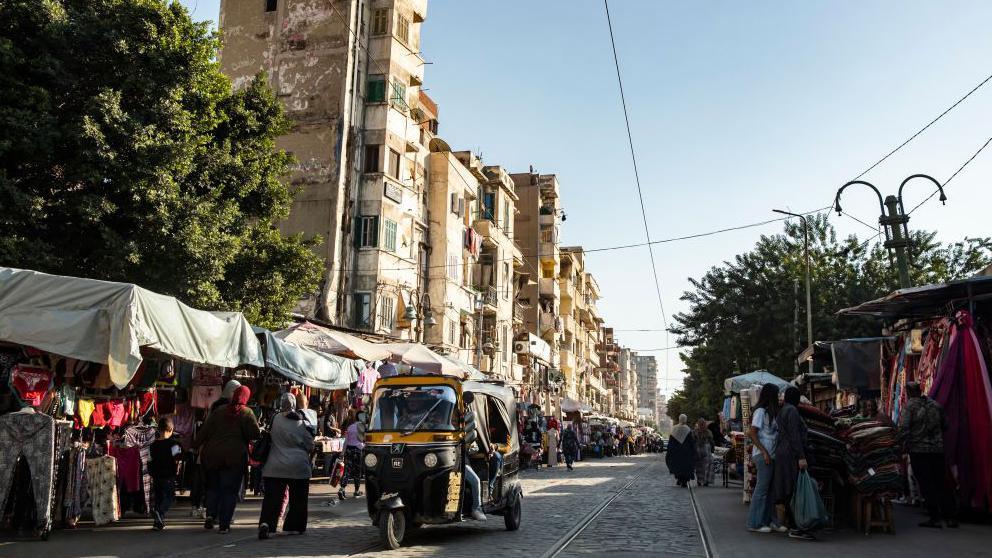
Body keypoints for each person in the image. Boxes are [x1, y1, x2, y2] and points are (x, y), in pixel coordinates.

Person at [193, 385, 260, 534]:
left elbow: (204, 431)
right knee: (229, 491)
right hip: (234, 458)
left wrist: (194, 446)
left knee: (213, 487)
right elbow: (255, 434)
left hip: (213, 455)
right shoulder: (247, 413)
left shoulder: (219, 410)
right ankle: (224, 524)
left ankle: (210, 515)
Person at [898, 382, 957, 528]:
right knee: (941, 483)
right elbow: (946, 425)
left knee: (926, 484)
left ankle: (934, 517)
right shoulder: (935, 405)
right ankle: (950, 517)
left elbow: (903, 429)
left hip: (919, 450)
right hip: (937, 450)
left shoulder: (910, 407)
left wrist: (900, 446)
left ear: (909, 392)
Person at [258, 393, 316, 540]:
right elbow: (310, 445)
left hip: (275, 465)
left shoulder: (275, 419)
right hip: (298, 467)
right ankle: (294, 526)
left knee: (272, 498)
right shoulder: (302, 422)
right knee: (298, 499)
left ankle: (267, 524)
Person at [770, 386, 813, 541]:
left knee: (788, 489)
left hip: (782, 452)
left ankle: (793, 524)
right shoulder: (792, 411)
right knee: (794, 489)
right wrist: (801, 456)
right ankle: (797, 526)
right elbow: (795, 435)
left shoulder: (782, 411)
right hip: (790, 454)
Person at [746, 383, 782, 534]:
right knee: (761, 489)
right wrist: (764, 452)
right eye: (777, 395)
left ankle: (769, 520)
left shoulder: (770, 412)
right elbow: (752, 433)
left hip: (771, 454)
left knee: (770, 490)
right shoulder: (760, 411)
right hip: (763, 455)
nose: (779, 397)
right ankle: (755, 522)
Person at [149, 416, 182, 530]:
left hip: (156, 475)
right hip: (168, 475)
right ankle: (159, 512)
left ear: (158, 429)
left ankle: (158, 522)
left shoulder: (152, 445)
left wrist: (151, 473)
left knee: (159, 497)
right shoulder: (173, 444)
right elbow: (178, 457)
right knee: (169, 496)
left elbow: (149, 460)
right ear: (171, 430)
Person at [665, 415, 696, 487]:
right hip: (686, 452)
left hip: (676, 452)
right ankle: (684, 481)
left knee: (677, 465)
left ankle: (679, 479)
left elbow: (671, 441)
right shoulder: (687, 429)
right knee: (685, 466)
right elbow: (691, 441)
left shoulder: (674, 428)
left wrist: (670, 451)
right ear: (685, 419)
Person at [341, 414, 364, 500]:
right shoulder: (361, 427)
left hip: (348, 450)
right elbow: (362, 441)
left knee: (347, 470)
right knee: (357, 471)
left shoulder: (350, 427)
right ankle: (356, 491)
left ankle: (342, 489)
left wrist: (342, 453)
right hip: (357, 450)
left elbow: (346, 441)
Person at [694, 418, 714, 487]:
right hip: (706, 449)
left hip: (698, 449)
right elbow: (711, 441)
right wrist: (713, 449)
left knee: (698, 466)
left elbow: (693, 440)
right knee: (707, 466)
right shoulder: (708, 432)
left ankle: (699, 481)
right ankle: (706, 481)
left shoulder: (695, 431)